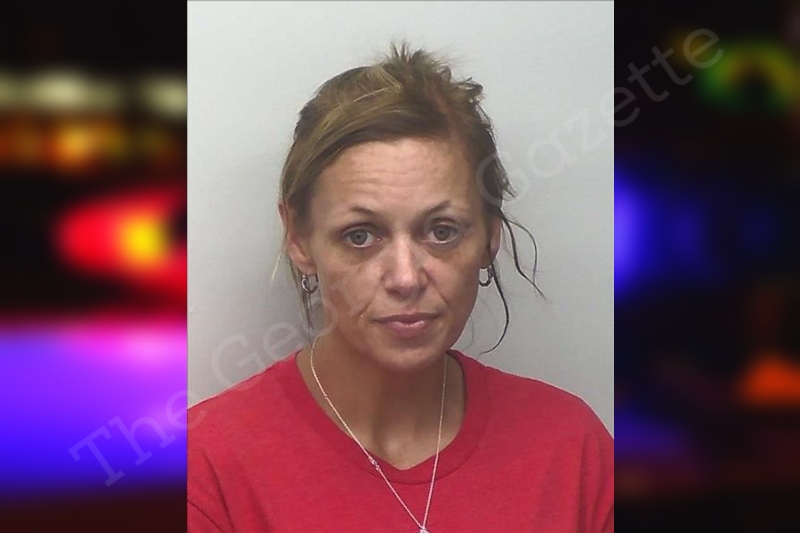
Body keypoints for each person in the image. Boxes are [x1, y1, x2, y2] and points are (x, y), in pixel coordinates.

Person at [188, 43, 613, 532]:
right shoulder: (206, 471)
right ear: (299, 239)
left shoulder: (570, 450)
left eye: (442, 231)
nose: (406, 278)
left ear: (489, 236)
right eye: (360, 236)